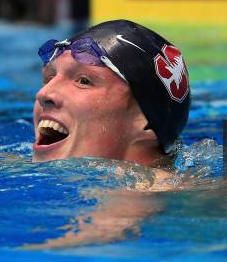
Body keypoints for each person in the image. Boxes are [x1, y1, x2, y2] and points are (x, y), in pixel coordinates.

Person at [32, 19, 191, 167]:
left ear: (145, 121)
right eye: (49, 78)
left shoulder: (172, 194)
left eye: (84, 81)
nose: (43, 94)